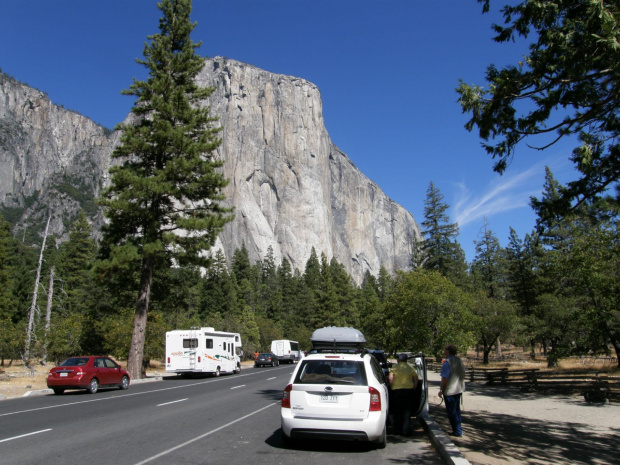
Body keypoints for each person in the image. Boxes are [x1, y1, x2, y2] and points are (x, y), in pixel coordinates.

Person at [388, 353, 419, 436]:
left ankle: (397, 430)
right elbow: (416, 379)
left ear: (399, 360)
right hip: (408, 390)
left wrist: (391, 387)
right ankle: (405, 430)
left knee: (397, 411)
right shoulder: (410, 368)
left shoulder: (394, 368)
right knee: (407, 411)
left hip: (396, 390)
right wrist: (414, 388)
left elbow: (391, 379)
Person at [438, 344, 465, 437]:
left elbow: (445, 378)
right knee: (457, 410)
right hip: (458, 389)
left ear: (448, 352)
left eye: (445, 350)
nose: (444, 351)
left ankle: (457, 430)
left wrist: (441, 389)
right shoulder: (459, 361)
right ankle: (458, 428)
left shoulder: (447, 362)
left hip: (450, 391)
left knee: (452, 412)